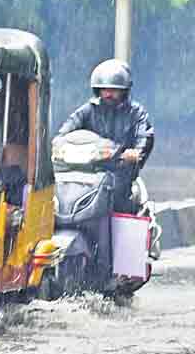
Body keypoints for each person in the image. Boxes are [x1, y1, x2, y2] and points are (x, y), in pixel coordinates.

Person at [57, 59, 155, 280]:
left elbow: (145, 136)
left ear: (124, 91)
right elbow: (66, 131)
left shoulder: (136, 113)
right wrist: (58, 143)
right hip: (88, 173)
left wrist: (135, 152)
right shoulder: (87, 110)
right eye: (104, 89)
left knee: (120, 204)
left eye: (114, 90)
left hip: (119, 174)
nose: (108, 93)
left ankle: (121, 268)